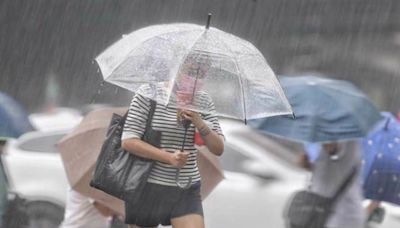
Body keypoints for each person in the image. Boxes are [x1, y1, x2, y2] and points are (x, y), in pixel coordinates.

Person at [121, 55, 224, 228]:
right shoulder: (149, 93)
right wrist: (168, 157)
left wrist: (199, 122)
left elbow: (218, 148)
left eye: (202, 73)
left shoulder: (204, 100)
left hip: (185, 187)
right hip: (146, 185)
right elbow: (128, 141)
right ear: (176, 67)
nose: (195, 77)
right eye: (191, 71)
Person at [300, 140, 366, 228]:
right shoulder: (327, 137)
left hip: (341, 216)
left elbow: (333, 150)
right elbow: (330, 169)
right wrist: (309, 165)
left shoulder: (342, 136)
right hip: (323, 212)